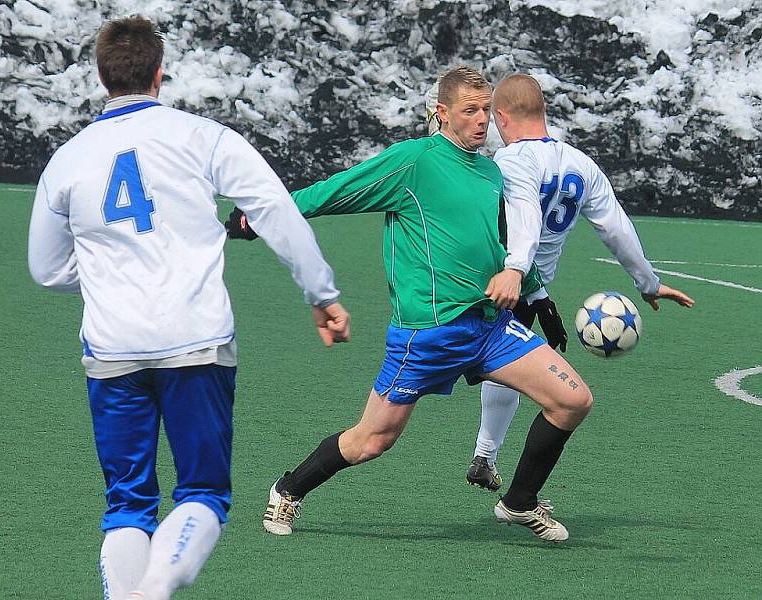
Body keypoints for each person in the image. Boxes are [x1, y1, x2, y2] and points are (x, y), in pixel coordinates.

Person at [27, 15, 349, 600]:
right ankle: (154, 591)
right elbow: (275, 210)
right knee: (203, 493)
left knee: (127, 502)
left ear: (102, 77)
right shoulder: (204, 136)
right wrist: (321, 293)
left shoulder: (68, 160)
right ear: (159, 72)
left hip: (112, 347)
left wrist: (109, 278)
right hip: (196, 340)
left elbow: (47, 270)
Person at [242, 65, 594, 543]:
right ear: (441, 113)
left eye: (486, 110)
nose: (481, 120)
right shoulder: (414, 161)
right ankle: (287, 489)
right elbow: (334, 191)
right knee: (373, 440)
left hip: (489, 327)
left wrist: (536, 294)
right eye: (469, 110)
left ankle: (519, 502)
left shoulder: (491, 170)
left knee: (573, 400)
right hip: (427, 333)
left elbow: (502, 242)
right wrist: (260, 215)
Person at [430, 73, 695, 493]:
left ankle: (485, 457)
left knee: (497, 369)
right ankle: (487, 459)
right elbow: (615, 227)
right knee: (500, 368)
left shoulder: (511, 160)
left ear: (500, 115)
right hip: (523, 288)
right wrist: (647, 282)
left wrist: (517, 269)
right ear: (543, 111)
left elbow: (522, 221)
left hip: (502, 283)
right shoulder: (580, 162)